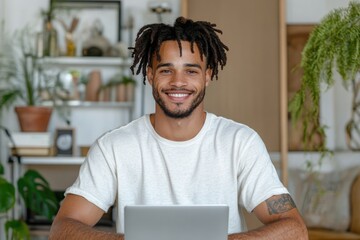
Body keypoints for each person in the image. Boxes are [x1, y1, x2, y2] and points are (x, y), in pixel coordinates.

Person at [49, 17, 308, 240]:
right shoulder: (114, 147)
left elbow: (295, 230)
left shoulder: (240, 142)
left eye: (191, 71)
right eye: (166, 70)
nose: (178, 82)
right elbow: (62, 228)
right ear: (149, 75)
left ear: (208, 75)